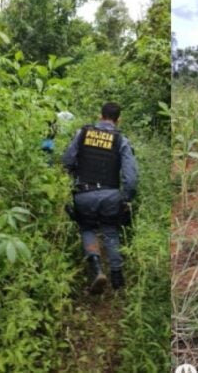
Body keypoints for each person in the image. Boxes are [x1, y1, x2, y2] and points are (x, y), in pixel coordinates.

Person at [63, 102, 138, 293]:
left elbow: (67, 161)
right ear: (118, 119)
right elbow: (131, 177)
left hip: (84, 194)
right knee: (110, 231)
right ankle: (117, 278)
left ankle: (96, 269)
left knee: (87, 227)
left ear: (100, 115)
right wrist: (126, 198)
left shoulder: (83, 133)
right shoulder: (121, 140)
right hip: (110, 195)